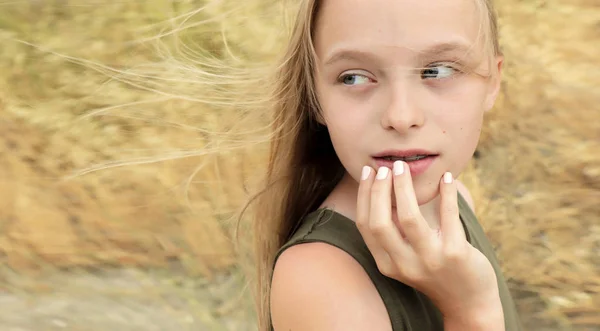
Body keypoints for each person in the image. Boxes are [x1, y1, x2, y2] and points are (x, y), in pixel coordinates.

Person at [246, 0, 524, 330]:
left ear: (492, 81)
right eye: (353, 77)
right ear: (314, 96)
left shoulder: (456, 199)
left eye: (437, 71)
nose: (401, 117)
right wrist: (471, 311)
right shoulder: (320, 279)